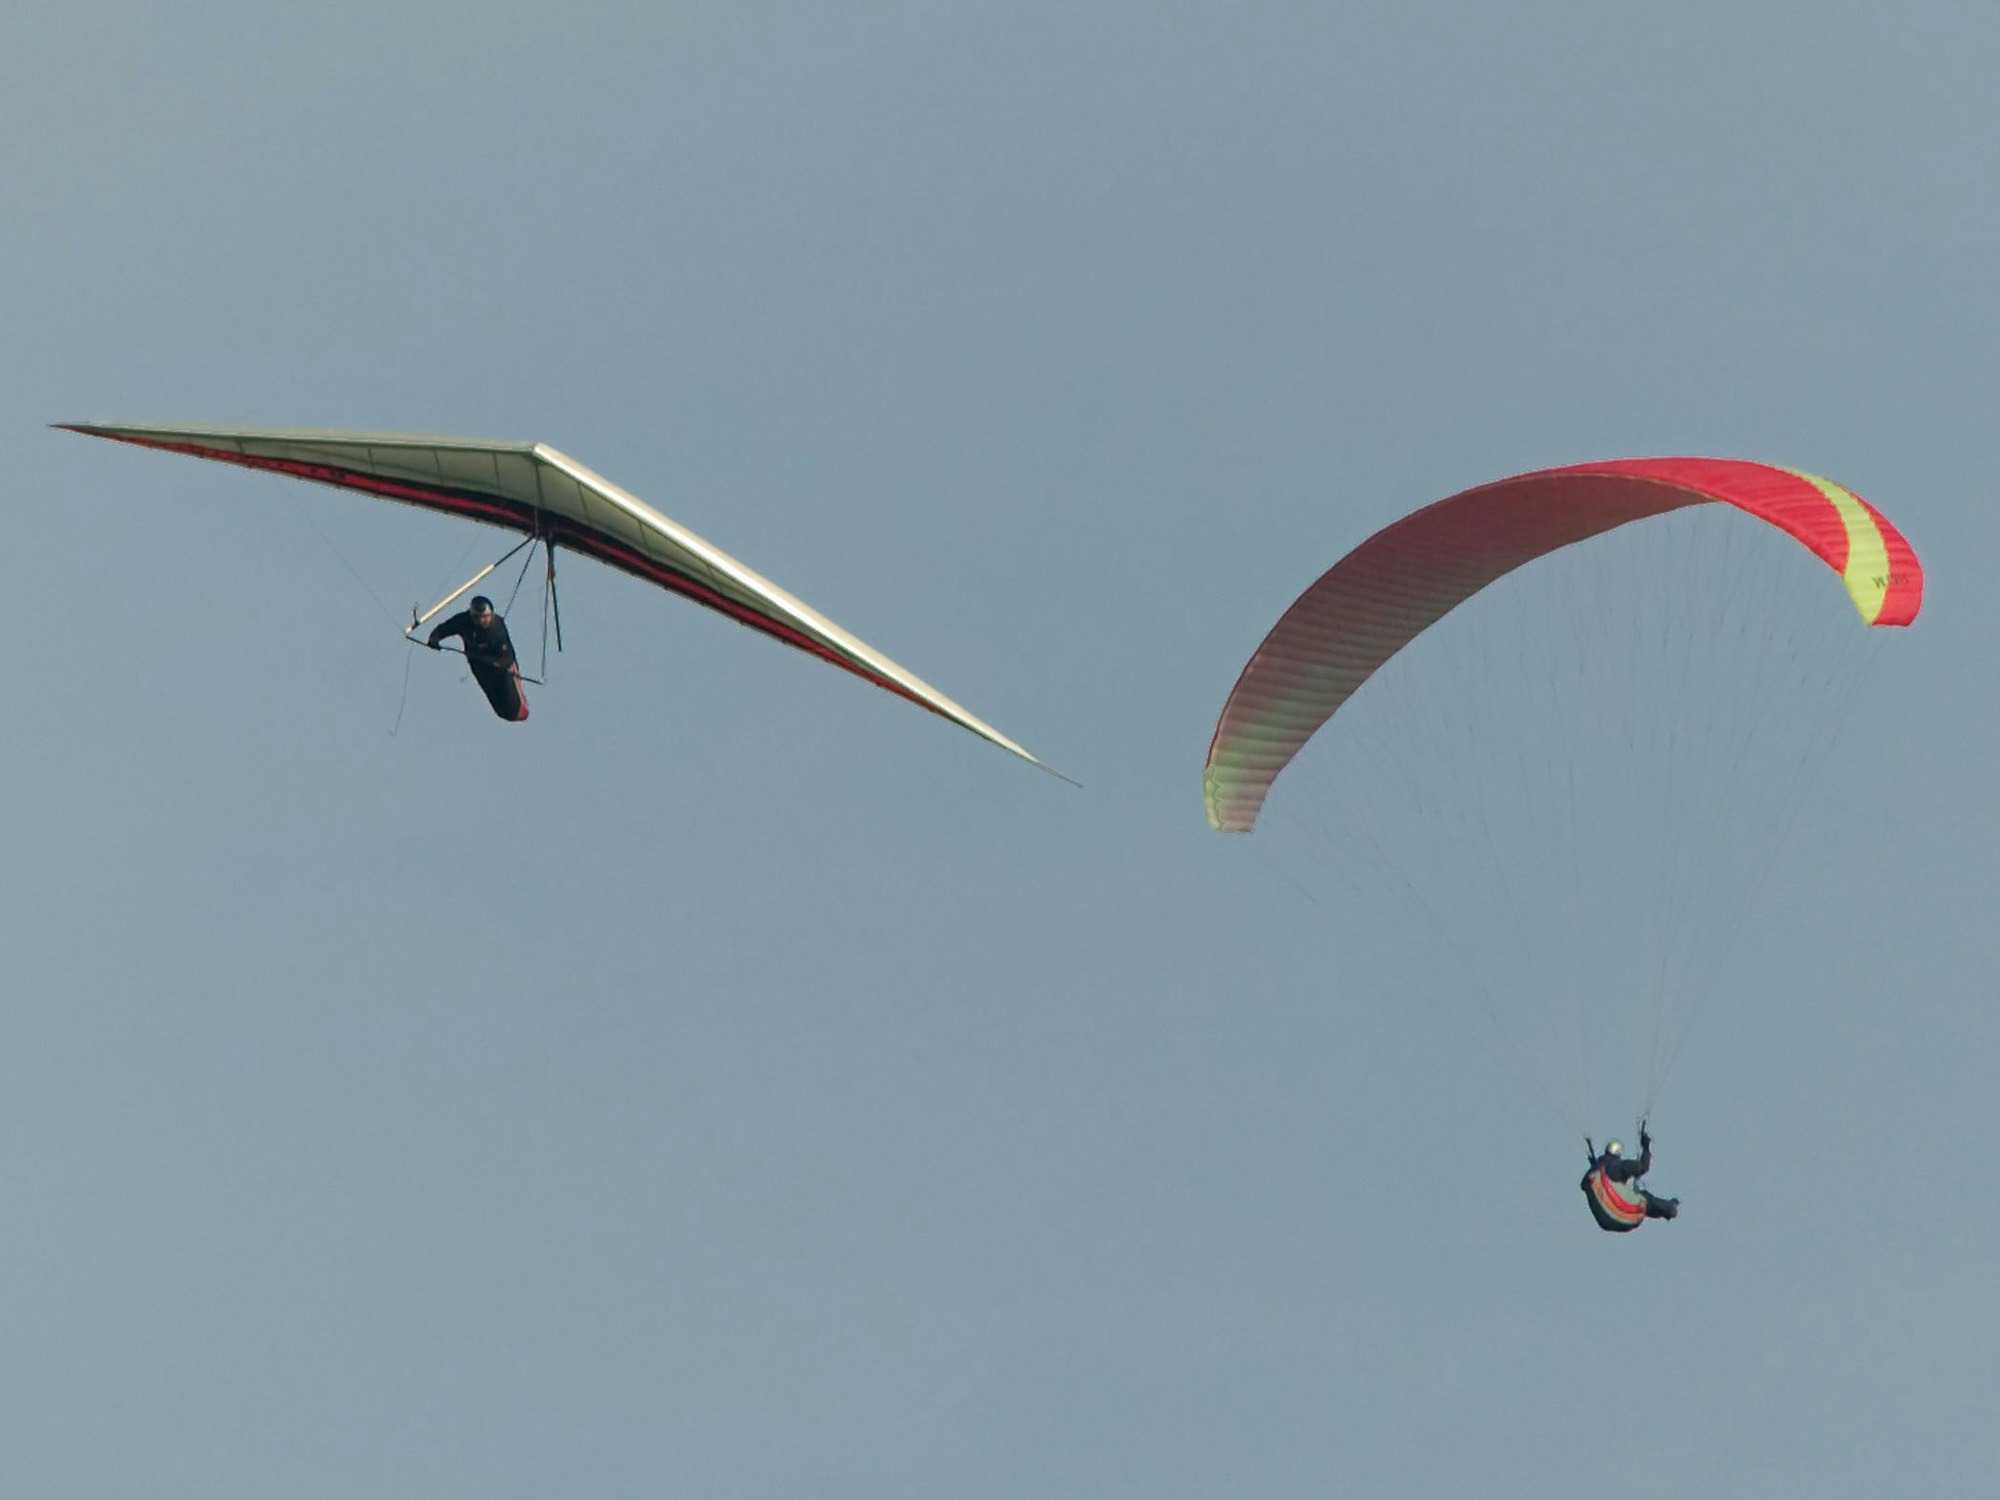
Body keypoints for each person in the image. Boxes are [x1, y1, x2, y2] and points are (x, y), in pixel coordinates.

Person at [427, 595, 529, 721]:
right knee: (502, 711)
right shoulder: (463, 621)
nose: (483, 621)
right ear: (473, 617)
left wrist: (496, 663)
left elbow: (508, 657)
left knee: (515, 709)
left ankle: (518, 704)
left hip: (501, 668)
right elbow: (444, 628)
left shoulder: (497, 629)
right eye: (479, 618)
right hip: (479, 665)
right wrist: (434, 638)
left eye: (486, 617)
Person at [1581, 1126, 1678, 1233]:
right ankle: (1669, 1209)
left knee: (1640, 1201)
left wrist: (1594, 1164)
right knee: (1645, 1199)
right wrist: (1646, 1147)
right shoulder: (1615, 1166)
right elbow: (1643, 1167)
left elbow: (1598, 1184)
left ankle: (1666, 1211)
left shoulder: (1594, 1175)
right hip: (1624, 1217)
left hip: (1603, 1222)